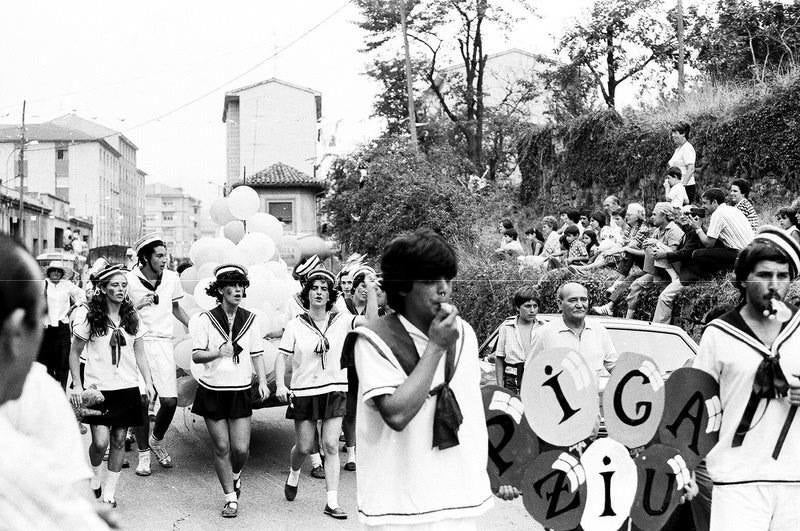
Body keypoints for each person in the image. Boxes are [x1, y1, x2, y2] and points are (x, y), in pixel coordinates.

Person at [347, 228, 502, 528]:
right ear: (403, 286)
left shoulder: (465, 332)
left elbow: (472, 410)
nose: (443, 289)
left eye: (448, 279)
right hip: (400, 506)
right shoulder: (373, 339)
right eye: (431, 281)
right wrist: (436, 347)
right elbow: (397, 413)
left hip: (462, 497)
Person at [693, 226, 800, 530]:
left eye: (783, 276)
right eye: (765, 275)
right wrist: (687, 466)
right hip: (736, 478)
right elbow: (697, 407)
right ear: (743, 279)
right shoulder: (719, 333)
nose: (775, 285)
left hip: (795, 478)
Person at [276, 267, 378, 519]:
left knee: (331, 444)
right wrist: (280, 383)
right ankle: (294, 472)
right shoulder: (295, 325)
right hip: (304, 390)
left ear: (330, 295)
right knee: (303, 446)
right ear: (307, 293)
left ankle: (331, 502)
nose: (319, 293)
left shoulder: (342, 319)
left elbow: (373, 324)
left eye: (324, 289)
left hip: (335, 388)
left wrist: (373, 291)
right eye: (314, 288)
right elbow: (282, 356)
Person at [68, 264, 155, 508]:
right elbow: (74, 353)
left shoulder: (132, 317)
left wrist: (148, 383)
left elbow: (140, 353)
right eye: (114, 285)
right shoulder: (90, 317)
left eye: (123, 285)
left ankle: (109, 492)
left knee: (118, 441)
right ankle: (95, 477)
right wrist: (76, 384)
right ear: (103, 289)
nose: (120, 289)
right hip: (99, 389)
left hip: (127, 388)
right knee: (100, 443)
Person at [189, 264, 269, 518]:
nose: (237, 290)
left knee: (241, 449)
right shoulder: (205, 319)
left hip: (240, 389)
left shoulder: (251, 319)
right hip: (212, 390)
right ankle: (230, 498)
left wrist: (264, 381)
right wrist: (217, 352)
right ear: (220, 290)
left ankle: (236, 476)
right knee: (222, 447)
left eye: (240, 285)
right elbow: (196, 355)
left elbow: (257, 352)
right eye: (232, 286)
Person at [126, 233, 189, 475]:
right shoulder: (129, 280)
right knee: (141, 400)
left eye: (166, 255)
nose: (165, 259)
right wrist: (136, 306)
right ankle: (143, 456)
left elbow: (176, 308)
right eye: (159, 255)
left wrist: (196, 325)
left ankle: (156, 440)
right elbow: (118, 311)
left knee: (170, 401)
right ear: (145, 257)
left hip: (163, 344)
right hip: (137, 344)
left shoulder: (172, 278)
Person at [530, 282, 618, 377]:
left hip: (592, 392)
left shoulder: (599, 331)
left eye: (584, 300)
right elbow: (531, 373)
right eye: (573, 300)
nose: (580, 305)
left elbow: (614, 366)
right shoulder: (544, 333)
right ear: (560, 304)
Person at [342, 265, 381, 472]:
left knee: (368, 408)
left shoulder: (376, 309)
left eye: (370, 287)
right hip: (346, 365)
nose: (365, 290)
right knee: (348, 410)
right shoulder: (342, 307)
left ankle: (367, 450)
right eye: (362, 286)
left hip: (367, 364)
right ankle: (351, 453)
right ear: (354, 288)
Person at [624, 202, 685, 319]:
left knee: (654, 245)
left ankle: (667, 278)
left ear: (664, 215)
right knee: (635, 285)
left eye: (655, 214)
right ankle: (628, 319)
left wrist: (656, 243)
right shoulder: (658, 230)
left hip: (672, 269)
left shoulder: (673, 230)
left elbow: (673, 254)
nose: (652, 217)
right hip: (658, 269)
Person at [650, 205, 705, 324]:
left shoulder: (695, 232)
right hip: (683, 270)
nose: (684, 217)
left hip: (691, 274)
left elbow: (684, 253)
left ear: (697, 218)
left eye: (688, 215)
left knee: (665, 297)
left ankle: (660, 328)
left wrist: (663, 255)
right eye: (683, 214)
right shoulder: (687, 230)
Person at [38, 259, 86, 389]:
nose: (55, 274)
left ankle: (62, 390)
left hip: (62, 327)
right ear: (49, 272)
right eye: (53, 271)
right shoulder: (43, 284)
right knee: (45, 362)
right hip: (46, 329)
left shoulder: (67, 285)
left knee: (63, 361)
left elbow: (83, 295)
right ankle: (48, 390)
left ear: (61, 273)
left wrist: (74, 307)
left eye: (58, 271)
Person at [691, 188, 755, 274]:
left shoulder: (718, 214)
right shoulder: (732, 209)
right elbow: (713, 237)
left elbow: (709, 244)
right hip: (750, 252)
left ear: (714, 202)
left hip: (740, 255)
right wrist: (701, 226)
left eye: (704, 203)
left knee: (697, 254)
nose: (702, 206)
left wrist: (698, 228)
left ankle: (720, 274)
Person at [495, 286, 543, 394]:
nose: (532, 310)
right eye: (527, 306)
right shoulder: (506, 328)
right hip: (512, 380)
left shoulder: (544, 328)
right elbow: (499, 358)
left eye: (535, 306)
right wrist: (500, 387)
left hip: (537, 379)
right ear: (517, 307)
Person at [668, 122, 697, 202]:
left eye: (675, 133)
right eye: (672, 133)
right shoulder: (678, 149)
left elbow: (691, 169)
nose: (673, 135)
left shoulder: (687, 148)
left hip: (686, 187)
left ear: (683, 134)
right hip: (677, 187)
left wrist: (681, 187)